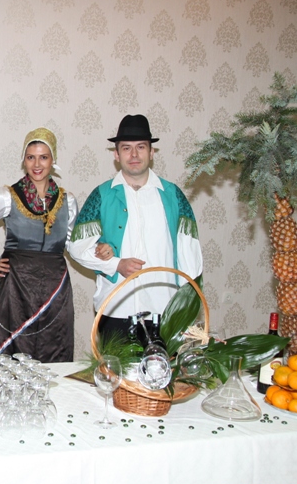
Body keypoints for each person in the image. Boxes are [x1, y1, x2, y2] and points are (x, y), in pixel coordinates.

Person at [68, 114, 203, 340]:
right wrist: (116, 264)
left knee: (164, 365)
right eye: (126, 148)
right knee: (114, 365)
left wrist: (186, 305)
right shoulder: (101, 195)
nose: (133, 155)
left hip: (165, 310)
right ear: (116, 154)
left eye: (140, 147)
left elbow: (190, 254)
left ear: (151, 152)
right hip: (116, 309)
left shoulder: (173, 196)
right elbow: (77, 247)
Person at [0, 128, 79, 363]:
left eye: (43, 157)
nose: (37, 164)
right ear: (23, 160)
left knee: (53, 352)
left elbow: (75, 245)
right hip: (14, 289)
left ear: (53, 160)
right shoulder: (7, 196)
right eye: (31, 157)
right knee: (7, 359)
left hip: (55, 288)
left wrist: (104, 252)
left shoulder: (68, 201)